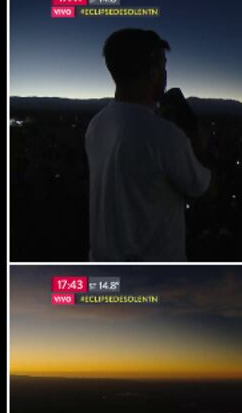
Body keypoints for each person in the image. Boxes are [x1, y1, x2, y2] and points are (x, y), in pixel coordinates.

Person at [86, 28, 211, 261]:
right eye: (163, 66)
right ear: (152, 72)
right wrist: (200, 148)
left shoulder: (96, 124)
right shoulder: (165, 135)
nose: (165, 74)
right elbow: (201, 188)